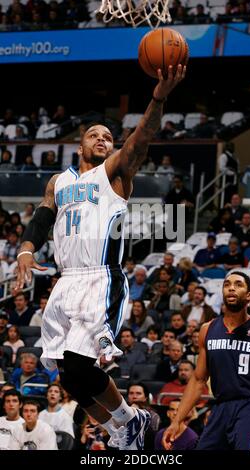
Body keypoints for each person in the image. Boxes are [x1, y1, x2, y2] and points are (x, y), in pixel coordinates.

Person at [15, 64, 187, 450]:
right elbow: (42, 218)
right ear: (80, 145)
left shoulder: (115, 173)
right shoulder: (58, 182)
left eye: (109, 137)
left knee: (79, 364)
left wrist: (158, 97)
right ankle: (127, 425)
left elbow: (143, 137)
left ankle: (131, 418)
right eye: (95, 135)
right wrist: (26, 249)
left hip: (100, 278)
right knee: (68, 377)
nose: (103, 140)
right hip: (66, 280)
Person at [162, 271, 250, 450]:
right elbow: (198, 380)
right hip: (220, 406)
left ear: (249, 296)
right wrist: (177, 421)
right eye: (227, 284)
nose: (231, 288)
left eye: (238, 284)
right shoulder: (207, 329)